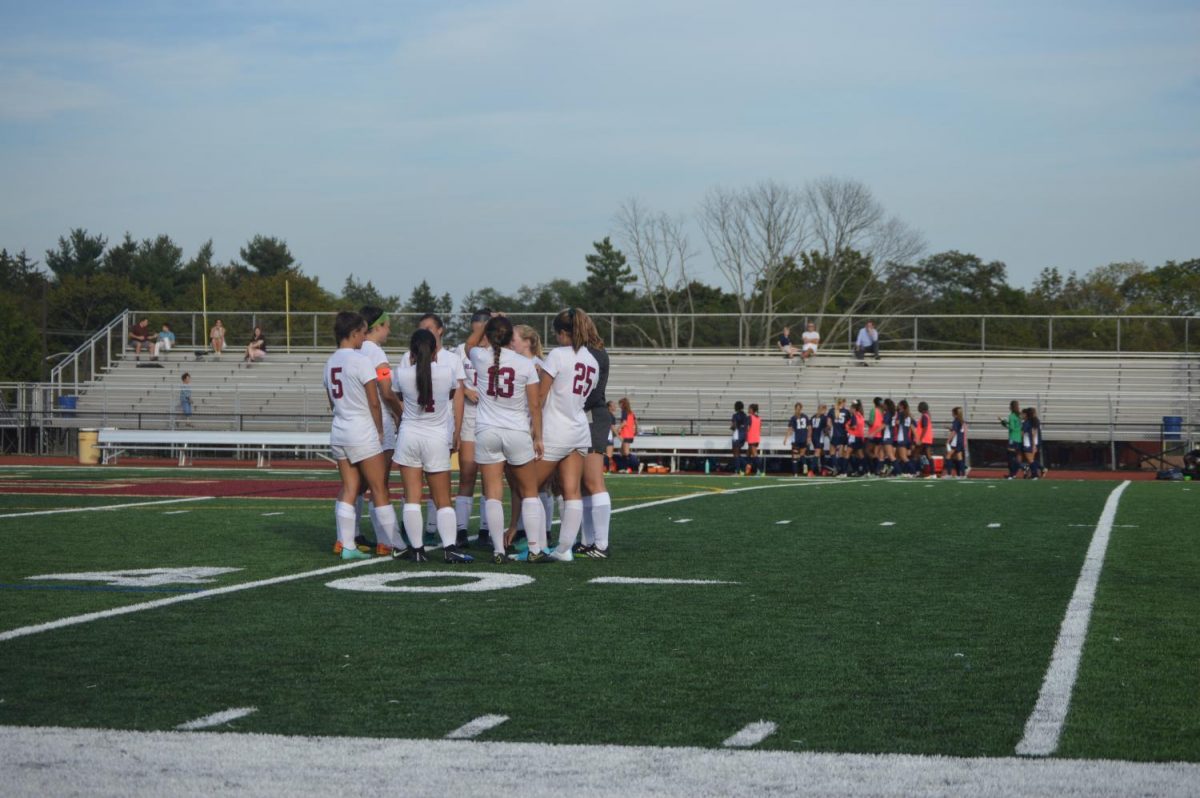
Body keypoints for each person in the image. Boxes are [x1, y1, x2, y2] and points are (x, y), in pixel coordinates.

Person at [323, 310, 403, 561]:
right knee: (380, 489)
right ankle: (390, 543)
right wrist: (380, 429)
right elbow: (375, 402)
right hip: (362, 431)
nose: (364, 337)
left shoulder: (330, 361)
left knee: (350, 488)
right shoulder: (361, 360)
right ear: (355, 333)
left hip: (339, 430)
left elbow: (331, 403)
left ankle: (346, 545)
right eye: (362, 332)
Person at [466, 315, 546, 564]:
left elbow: (469, 346)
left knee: (492, 494)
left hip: (487, 430)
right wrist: (538, 437)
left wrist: (483, 327)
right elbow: (534, 405)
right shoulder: (525, 364)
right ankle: (535, 549)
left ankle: (498, 550)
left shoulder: (480, 357)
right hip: (517, 431)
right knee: (530, 492)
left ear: (488, 336)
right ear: (511, 337)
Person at [529, 308, 601, 561]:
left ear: (562, 333)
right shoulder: (592, 360)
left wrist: (534, 432)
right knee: (572, 491)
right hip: (579, 429)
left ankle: (535, 546)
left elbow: (539, 396)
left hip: (555, 429)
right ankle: (564, 549)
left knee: (528, 488)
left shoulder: (558, 355)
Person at [393, 328, 470, 563]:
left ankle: (416, 550)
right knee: (443, 499)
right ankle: (449, 548)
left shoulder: (401, 373)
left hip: (408, 436)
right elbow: (449, 395)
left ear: (411, 351)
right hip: (436, 438)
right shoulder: (446, 372)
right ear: (435, 350)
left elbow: (397, 397)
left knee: (412, 498)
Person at [357, 306, 405, 555]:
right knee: (380, 485)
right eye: (387, 325)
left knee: (355, 486)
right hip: (379, 424)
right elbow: (386, 390)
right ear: (377, 326)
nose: (389, 330)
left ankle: (351, 535)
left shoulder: (349, 351)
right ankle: (387, 539)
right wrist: (401, 412)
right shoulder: (376, 353)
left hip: (355, 423)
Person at [453, 309, 491, 549]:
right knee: (467, 475)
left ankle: (487, 529)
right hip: (468, 418)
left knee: (490, 478)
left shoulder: (498, 350)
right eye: (475, 329)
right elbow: (453, 380)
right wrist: (465, 391)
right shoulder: (459, 350)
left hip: (490, 419)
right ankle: (461, 530)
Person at [576, 315, 613, 558]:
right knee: (583, 486)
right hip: (586, 417)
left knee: (593, 481)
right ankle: (588, 541)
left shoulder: (593, 354)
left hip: (590, 417)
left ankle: (600, 544)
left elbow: (590, 394)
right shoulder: (594, 353)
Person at [785, 403, 810, 476]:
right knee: (802, 455)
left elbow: (790, 429)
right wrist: (808, 437)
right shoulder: (805, 416)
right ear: (801, 408)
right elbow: (809, 428)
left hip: (796, 439)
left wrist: (786, 438)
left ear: (795, 408)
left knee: (795, 456)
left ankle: (795, 473)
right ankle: (805, 464)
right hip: (803, 438)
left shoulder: (793, 418)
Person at [1000, 400, 1022, 479]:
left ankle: (1022, 467)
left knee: (1010, 457)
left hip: (1013, 438)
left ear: (1011, 407)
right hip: (1019, 438)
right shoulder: (1019, 416)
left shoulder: (1012, 416)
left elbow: (1012, 428)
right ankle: (1013, 474)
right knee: (1015, 456)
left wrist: (1004, 423)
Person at [617, 397, 639, 473]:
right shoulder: (631, 412)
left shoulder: (624, 411)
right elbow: (636, 422)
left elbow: (624, 423)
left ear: (623, 404)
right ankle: (624, 467)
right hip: (630, 434)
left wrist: (618, 428)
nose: (619, 406)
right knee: (622, 451)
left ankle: (635, 465)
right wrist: (636, 430)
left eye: (620, 404)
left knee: (626, 452)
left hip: (626, 434)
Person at [946, 406, 968, 478]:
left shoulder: (956, 420)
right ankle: (963, 475)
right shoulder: (961, 421)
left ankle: (949, 474)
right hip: (961, 441)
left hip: (956, 441)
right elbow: (959, 430)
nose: (951, 414)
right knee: (959, 457)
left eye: (952, 412)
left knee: (948, 456)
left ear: (955, 413)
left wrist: (948, 440)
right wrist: (951, 429)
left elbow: (954, 432)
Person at [1021, 407, 1043, 480]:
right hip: (1035, 443)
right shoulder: (1036, 421)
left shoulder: (1027, 422)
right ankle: (1033, 473)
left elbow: (1024, 433)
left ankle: (1036, 474)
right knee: (1031, 460)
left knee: (1030, 460)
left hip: (1028, 443)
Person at [916, 401, 934, 477]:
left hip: (925, 439)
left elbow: (925, 427)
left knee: (919, 455)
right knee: (923, 455)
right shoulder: (927, 415)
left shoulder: (924, 416)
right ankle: (924, 471)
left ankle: (930, 472)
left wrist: (920, 439)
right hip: (927, 438)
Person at [729, 400, 748, 474]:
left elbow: (734, 425)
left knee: (735, 453)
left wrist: (731, 428)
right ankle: (741, 469)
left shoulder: (735, 415)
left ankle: (739, 469)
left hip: (737, 435)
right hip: (743, 435)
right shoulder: (745, 415)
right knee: (738, 453)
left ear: (736, 407)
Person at [810, 403, 828, 476]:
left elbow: (810, 428)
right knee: (817, 453)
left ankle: (823, 469)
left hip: (813, 437)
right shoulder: (824, 417)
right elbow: (825, 429)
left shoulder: (813, 417)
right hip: (819, 437)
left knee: (822, 452)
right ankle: (811, 470)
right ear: (823, 409)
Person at [746, 403, 762, 475]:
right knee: (748, 454)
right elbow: (759, 428)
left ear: (752, 410)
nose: (748, 410)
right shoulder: (759, 418)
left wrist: (745, 434)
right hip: (756, 438)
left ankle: (760, 470)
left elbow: (748, 428)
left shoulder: (750, 417)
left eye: (749, 408)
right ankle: (748, 469)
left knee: (754, 454)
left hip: (751, 438)